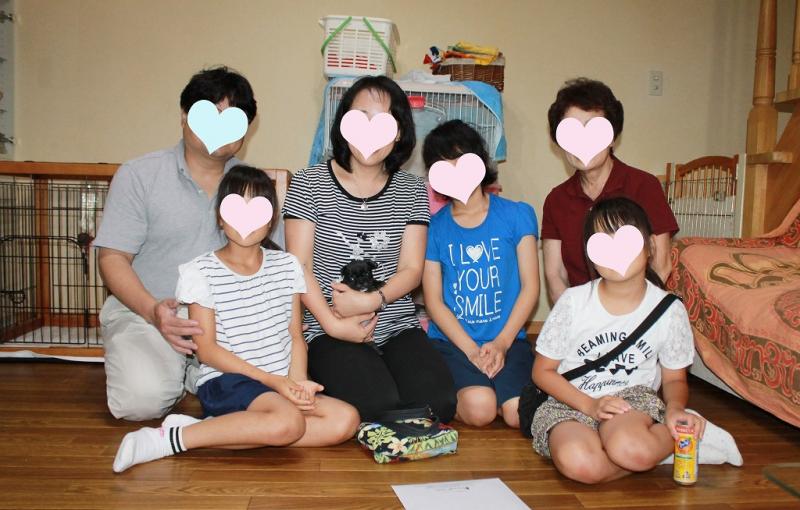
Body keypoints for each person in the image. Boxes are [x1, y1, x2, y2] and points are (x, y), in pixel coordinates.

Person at [112, 166, 358, 473]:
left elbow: (295, 335)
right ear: (219, 216)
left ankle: (219, 429)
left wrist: (297, 383)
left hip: (278, 384)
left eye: (258, 208)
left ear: (271, 219)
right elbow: (207, 351)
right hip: (227, 381)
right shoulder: (200, 271)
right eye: (235, 207)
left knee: (345, 420)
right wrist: (274, 382)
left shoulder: (288, 266)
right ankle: (170, 439)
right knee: (288, 422)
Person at [95, 66, 283, 421]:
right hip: (148, 310)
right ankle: (173, 369)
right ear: (185, 115)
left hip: (231, 323)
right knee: (141, 402)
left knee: (271, 391)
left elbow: (275, 263)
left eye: (234, 120)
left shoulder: (255, 186)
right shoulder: (140, 175)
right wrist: (153, 311)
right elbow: (112, 257)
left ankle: (193, 373)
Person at [283, 76, 456, 422]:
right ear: (343, 122)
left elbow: (411, 269)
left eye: (383, 122)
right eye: (360, 118)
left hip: (395, 322)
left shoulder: (412, 190)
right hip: (328, 324)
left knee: (440, 403)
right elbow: (298, 266)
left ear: (399, 132)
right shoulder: (308, 182)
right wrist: (333, 325)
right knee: (377, 404)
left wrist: (371, 301)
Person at [531, 197, 704, 484]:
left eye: (625, 239)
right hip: (571, 401)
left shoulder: (668, 310)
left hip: (631, 402)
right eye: (602, 242)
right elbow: (542, 371)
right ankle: (660, 451)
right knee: (580, 463)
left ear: (650, 245)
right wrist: (589, 405)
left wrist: (675, 409)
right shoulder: (573, 302)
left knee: (630, 449)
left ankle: (681, 434)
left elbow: (674, 378)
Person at [421, 120, 539, 428]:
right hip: (454, 343)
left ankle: (498, 390)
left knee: (518, 414)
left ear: (480, 161)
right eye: (443, 164)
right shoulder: (434, 228)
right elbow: (434, 302)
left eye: (460, 159)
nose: (454, 169)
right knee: (480, 409)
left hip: (508, 339)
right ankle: (472, 393)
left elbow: (530, 288)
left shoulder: (517, 214)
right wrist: (472, 351)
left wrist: (501, 343)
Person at [541, 78, 678, 304]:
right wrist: (577, 318)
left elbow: (661, 266)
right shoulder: (556, 200)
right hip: (581, 315)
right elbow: (555, 275)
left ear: (612, 137)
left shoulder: (644, 185)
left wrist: (625, 317)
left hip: (638, 313)